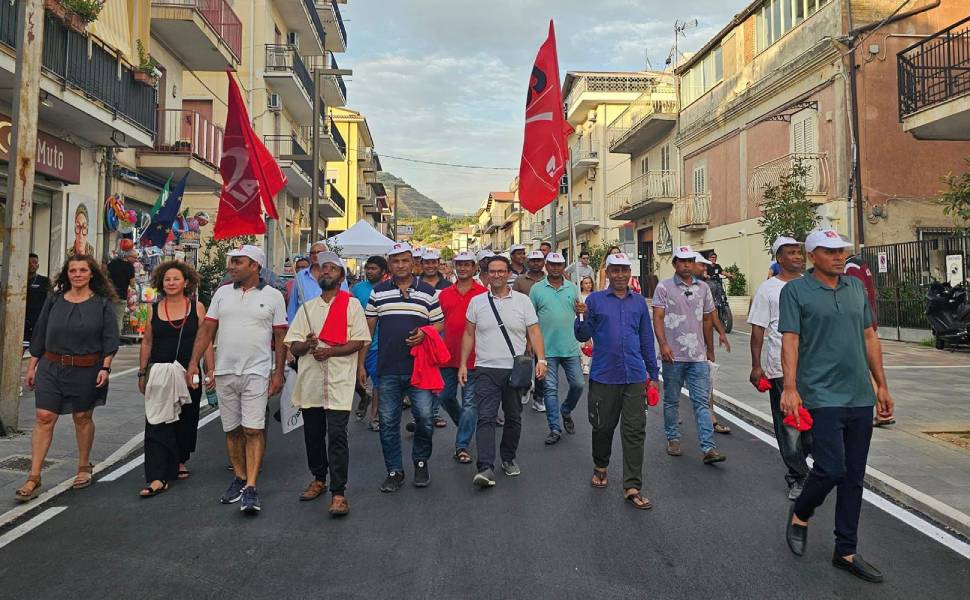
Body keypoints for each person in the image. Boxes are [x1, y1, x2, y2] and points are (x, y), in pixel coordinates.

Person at [781, 229, 895, 583]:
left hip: (859, 394)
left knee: (854, 477)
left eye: (841, 250)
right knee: (831, 468)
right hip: (820, 393)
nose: (839, 256)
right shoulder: (795, 291)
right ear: (812, 255)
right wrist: (790, 388)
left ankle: (845, 550)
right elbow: (791, 340)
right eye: (830, 251)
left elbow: (869, 336)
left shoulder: (855, 288)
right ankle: (801, 512)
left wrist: (881, 385)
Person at [186, 245, 287, 515]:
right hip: (225, 371)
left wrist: (278, 373)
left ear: (255, 265)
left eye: (237, 262)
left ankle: (251, 486)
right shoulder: (221, 293)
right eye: (231, 261)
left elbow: (280, 337)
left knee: (253, 429)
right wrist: (193, 363)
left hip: (257, 371)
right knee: (232, 430)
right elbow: (207, 330)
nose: (231, 266)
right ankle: (240, 478)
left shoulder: (274, 296)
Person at [16, 255, 120, 502]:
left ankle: (84, 465)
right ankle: (34, 476)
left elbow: (110, 338)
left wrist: (105, 368)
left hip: (86, 368)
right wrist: (31, 366)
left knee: (82, 417)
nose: (78, 274)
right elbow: (40, 333)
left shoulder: (102, 304)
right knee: (44, 416)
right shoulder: (54, 300)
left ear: (92, 274)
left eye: (83, 270)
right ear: (67, 274)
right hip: (51, 366)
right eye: (73, 270)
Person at [286, 252, 371, 516]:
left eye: (332, 268)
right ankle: (318, 478)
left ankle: (338, 493)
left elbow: (359, 341)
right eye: (323, 268)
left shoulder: (351, 305)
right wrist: (308, 344)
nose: (326, 272)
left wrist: (330, 352)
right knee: (312, 435)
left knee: (336, 436)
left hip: (338, 381)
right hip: (311, 381)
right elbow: (293, 346)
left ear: (341, 277)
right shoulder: (308, 308)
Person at [575, 252, 659, 509]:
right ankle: (601, 466)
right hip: (604, 375)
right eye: (615, 270)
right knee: (602, 427)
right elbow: (582, 335)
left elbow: (646, 339)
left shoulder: (639, 303)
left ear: (630, 273)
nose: (620, 275)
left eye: (624, 270)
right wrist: (580, 316)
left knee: (635, 431)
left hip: (634, 375)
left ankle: (632, 486)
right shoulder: (595, 300)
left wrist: (653, 375)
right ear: (608, 273)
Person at [364, 242, 444, 492]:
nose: (400, 265)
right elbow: (368, 330)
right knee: (388, 423)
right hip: (387, 369)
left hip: (420, 369)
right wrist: (361, 364)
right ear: (390, 264)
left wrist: (425, 332)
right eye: (396, 261)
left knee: (425, 418)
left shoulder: (428, 292)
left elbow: (439, 324)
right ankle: (394, 471)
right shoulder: (378, 292)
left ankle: (420, 461)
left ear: (413, 263)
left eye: (405, 260)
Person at [460, 255, 546, 487]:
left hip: (514, 370)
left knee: (513, 417)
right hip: (485, 368)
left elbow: (534, 331)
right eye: (492, 271)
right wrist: (463, 364)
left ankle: (508, 458)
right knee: (486, 417)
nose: (496, 275)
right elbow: (468, 334)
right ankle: (485, 467)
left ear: (509, 274)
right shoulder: (477, 302)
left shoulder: (522, 301)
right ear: (486, 275)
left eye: (501, 271)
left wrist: (541, 360)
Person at [137, 262, 214, 498]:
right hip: (160, 373)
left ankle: (180, 459)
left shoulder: (197, 307)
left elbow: (205, 340)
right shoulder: (153, 309)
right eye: (167, 279)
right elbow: (147, 342)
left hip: (188, 372)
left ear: (186, 282)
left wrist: (210, 369)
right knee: (157, 421)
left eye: (176, 279)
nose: (171, 283)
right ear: (161, 282)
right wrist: (142, 372)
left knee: (186, 419)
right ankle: (158, 474)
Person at [748, 236, 810, 501]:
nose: (797, 256)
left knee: (814, 425)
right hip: (781, 368)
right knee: (790, 426)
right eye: (790, 252)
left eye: (799, 252)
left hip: (813, 368)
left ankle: (802, 463)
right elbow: (758, 330)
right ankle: (797, 476)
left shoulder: (811, 284)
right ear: (779, 258)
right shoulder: (768, 289)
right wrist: (756, 366)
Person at [652, 246, 726, 464]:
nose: (686, 265)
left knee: (702, 402)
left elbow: (708, 319)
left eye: (690, 261)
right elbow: (658, 317)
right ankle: (673, 438)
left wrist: (710, 348)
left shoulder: (703, 288)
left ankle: (708, 448)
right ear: (675, 263)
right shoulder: (663, 287)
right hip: (673, 355)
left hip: (698, 357)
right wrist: (663, 344)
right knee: (671, 400)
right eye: (682, 261)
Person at [437, 251, 487, 463]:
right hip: (448, 357)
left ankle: (462, 445)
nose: (463, 268)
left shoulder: (483, 293)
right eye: (460, 264)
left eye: (467, 264)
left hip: (474, 358)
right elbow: (439, 323)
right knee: (445, 397)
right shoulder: (444, 294)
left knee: (469, 404)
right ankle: (466, 425)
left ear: (475, 268)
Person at [530, 252, 585, 444]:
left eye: (559, 264)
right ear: (546, 266)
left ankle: (566, 410)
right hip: (546, 350)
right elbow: (530, 319)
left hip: (570, 347)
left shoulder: (573, 288)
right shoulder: (537, 289)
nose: (555, 267)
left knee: (578, 384)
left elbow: (581, 316)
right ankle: (554, 428)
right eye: (552, 264)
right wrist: (530, 344)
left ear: (563, 267)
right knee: (550, 390)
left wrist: (582, 311)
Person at [691, 252, 732, 435]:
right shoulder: (672, 288)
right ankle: (673, 421)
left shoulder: (705, 288)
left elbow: (712, 314)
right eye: (702, 265)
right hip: (681, 346)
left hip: (703, 343)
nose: (705, 268)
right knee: (675, 385)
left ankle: (711, 417)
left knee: (708, 380)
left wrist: (721, 333)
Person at [352, 256, 388, 432]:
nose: (369, 271)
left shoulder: (389, 289)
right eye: (368, 268)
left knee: (378, 384)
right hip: (357, 342)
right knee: (354, 380)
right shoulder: (357, 289)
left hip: (379, 345)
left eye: (374, 268)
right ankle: (364, 397)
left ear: (383, 271)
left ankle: (374, 417)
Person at [512, 250, 547, 412]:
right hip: (522, 328)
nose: (536, 263)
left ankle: (539, 397)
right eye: (533, 260)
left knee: (541, 362)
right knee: (524, 362)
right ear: (528, 262)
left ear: (543, 262)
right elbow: (513, 302)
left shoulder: (548, 279)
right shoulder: (520, 280)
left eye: (539, 260)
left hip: (542, 328)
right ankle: (525, 386)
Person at [287, 241, 348, 324]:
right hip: (305, 325)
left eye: (319, 252)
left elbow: (344, 301)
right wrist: (291, 326)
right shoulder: (300, 276)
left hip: (332, 324)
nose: (315, 255)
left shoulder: (337, 277)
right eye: (312, 253)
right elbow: (293, 306)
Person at [106, 249, 137, 334]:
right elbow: (132, 284)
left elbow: (105, 275)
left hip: (109, 295)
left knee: (107, 318)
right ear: (128, 256)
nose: (135, 260)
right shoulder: (130, 267)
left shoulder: (113, 263)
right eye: (134, 257)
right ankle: (115, 338)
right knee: (118, 319)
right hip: (121, 296)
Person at [24, 253, 51, 344]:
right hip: (20, 322)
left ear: (38, 265)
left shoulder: (44, 281)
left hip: (37, 324)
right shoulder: (16, 280)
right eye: (28, 262)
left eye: (34, 262)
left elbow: (49, 302)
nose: (31, 264)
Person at [578, 276, 594, 375]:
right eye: (586, 283)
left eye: (590, 283)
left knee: (589, 343)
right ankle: (581, 361)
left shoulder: (594, 296)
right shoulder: (579, 296)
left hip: (590, 322)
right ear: (581, 285)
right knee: (580, 343)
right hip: (579, 322)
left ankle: (586, 364)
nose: (588, 285)